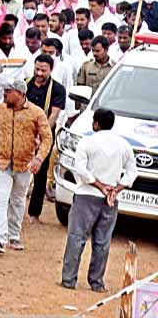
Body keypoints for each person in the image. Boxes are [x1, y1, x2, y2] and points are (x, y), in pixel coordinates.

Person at [0, 78, 52, 254]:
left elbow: (47, 138)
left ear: (20, 93)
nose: (5, 94)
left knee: (17, 201)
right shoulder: (1, 110)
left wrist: (39, 159)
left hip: (24, 165)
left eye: (8, 91)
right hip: (1, 162)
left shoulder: (36, 113)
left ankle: (14, 236)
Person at [61, 108, 138, 291]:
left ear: (96, 123)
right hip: (110, 199)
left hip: (86, 195)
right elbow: (132, 172)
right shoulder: (123, 145)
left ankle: (69, 279)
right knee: (102, 242)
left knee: (76, 238)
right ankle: (96, 282)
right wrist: (115, 189)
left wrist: (99, 185)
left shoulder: (87, 142)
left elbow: (81, 169)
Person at [25, 53, 67, 221]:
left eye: (43, 70)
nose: (39, 73)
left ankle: (34, 213)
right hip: (23, 133)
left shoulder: (57, 89)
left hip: (44, 135)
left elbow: (54, 115)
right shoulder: (25, 84)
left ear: (51, 69)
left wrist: (40, 135)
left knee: (40, 174)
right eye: (37, 69)